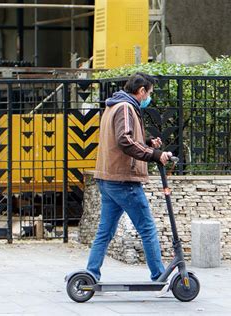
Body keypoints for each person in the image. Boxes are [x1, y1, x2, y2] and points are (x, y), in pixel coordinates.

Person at [86, 72, 172, 285]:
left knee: (105, 232)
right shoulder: (125, 107)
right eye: (149, 93)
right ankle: (158, 275)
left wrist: (148, 142)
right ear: (141, 90)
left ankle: (91, 273)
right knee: (147, 229)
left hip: (108, 178)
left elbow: (126, 139)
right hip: (123, 179)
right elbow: (124, 140)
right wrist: (155, 155)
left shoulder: (115, 105)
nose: (148, 98)